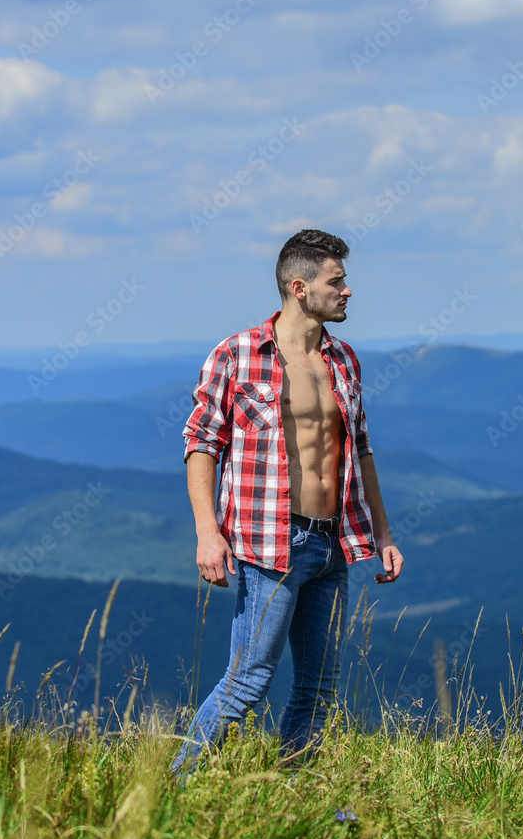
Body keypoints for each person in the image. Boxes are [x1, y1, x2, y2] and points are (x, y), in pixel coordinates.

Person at [172, 228, 404, 777]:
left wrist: (384, 536)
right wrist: (208, 532)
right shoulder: (237, 354)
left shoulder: (343, 359)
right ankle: (175, 787)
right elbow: (202, 441)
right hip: (270, 543)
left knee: (319, 687)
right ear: (300, 287)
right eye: (337, 281)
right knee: (249, 680)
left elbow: (361, 450)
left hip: (332, 546)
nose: (348, 291)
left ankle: (292, 798)